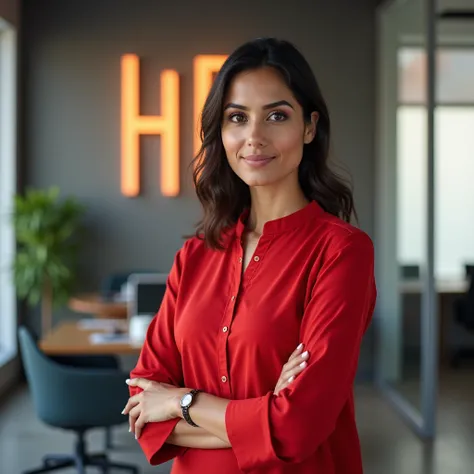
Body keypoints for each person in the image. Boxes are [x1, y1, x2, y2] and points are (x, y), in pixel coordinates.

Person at [122, 37, 376, 474]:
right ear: (221, 132)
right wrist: (262, 413)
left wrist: (181, 403)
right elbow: (143, 412)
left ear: (309, 127)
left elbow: (297, 427)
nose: (254, 137)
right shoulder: (195, 256)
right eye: (237, 117)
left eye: (277, 115)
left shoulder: (341, 252)